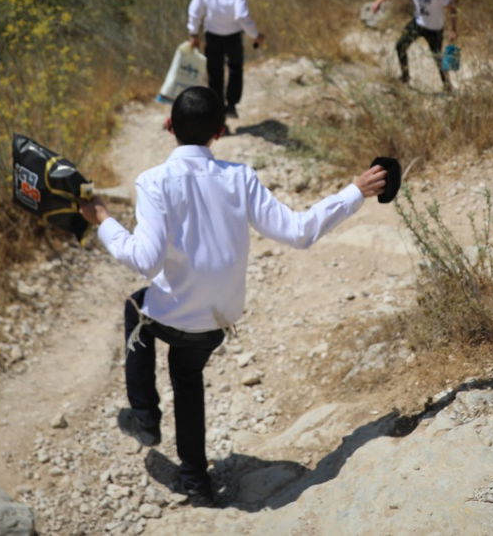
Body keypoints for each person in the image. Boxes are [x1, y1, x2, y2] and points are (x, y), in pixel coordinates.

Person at [79, 86, 387, 507]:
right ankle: (197, 482)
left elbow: (145, 260)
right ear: (220, 133)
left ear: (169, 127)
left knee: (137, 308)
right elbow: (299, 232)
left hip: (172, 315)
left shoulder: (153, 182)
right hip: (217, 320)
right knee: (187, 378)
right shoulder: (241, 179)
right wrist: (354, 190)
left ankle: (145, 417)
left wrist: (103, 220)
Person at [187, 0, 265, 119]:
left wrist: (193, 32)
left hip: (212, 34)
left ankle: (218, 114)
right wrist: (255, 34)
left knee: (215, 74)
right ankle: (231, 104)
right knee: (235, 68)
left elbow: (196, 7)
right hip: (232, 36)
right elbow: (241, 14)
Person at [371, 0, 459, 91]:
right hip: (417, 24)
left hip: (434, 30)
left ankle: (447, 86)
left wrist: (453, 30)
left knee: (438, 58)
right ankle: (405, 77)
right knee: (400, 46)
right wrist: (379, 1)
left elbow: (453, 9)